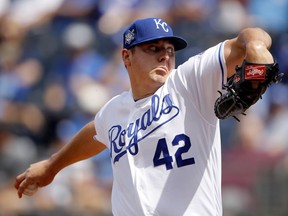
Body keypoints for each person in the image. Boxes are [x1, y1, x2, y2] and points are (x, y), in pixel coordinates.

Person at [15, 17, 276, 215]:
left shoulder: (190, 82)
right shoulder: (114, 111)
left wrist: (255, 45)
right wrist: (52, 166)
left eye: (170, 49)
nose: (165, 55)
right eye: (153, 48)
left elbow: (251, 36)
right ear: (127, 57)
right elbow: (95, 132)